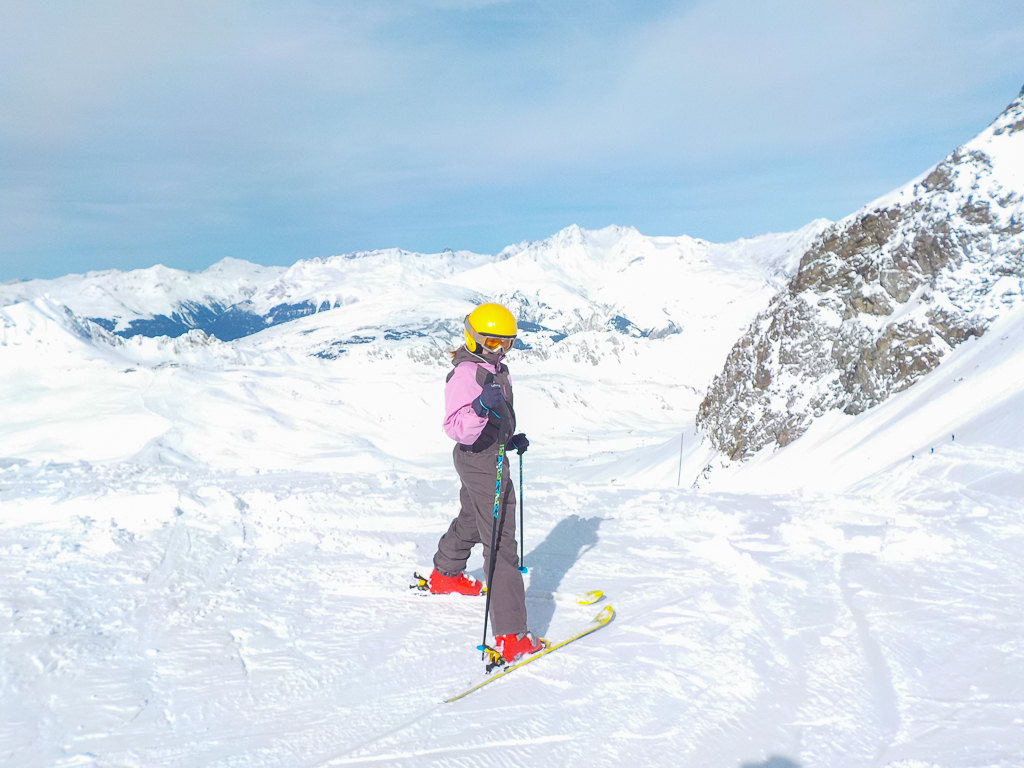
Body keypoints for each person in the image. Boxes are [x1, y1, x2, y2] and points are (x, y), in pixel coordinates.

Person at [427, 302, 544, 663]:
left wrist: (507, 437)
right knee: (500, 542)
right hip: (480, 460)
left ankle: (446, 573)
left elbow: (494, 415)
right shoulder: (466, 373)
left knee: (473, 518)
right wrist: (479, 407)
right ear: (473, 338)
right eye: (492, 342)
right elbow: (457, 428)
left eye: (506, 343)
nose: (499, 350)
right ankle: (511, 635)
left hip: (488, 454)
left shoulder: (494, 369)